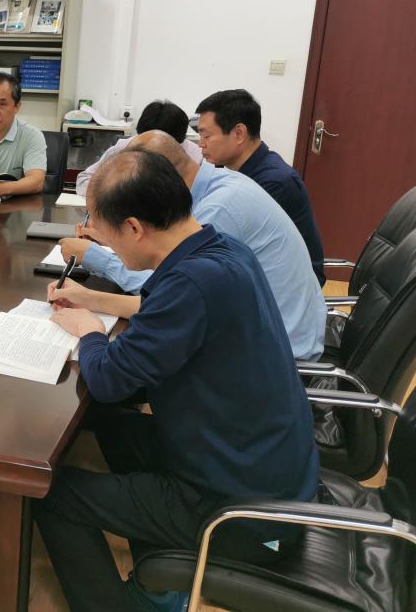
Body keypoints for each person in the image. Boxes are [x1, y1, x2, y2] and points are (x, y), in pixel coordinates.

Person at [37, 149, 318, 612]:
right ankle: (163, 585)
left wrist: (89, 331)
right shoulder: (220, 251)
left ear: (134, 228)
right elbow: (157, 324)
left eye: (107, 237)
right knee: (110, 424)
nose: (110, 250)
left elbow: (108, 379)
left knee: (50, 494)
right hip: (262, 465)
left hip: (242, 509)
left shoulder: (191, 284)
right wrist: (94, 304)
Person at [60, 130, 325, 360]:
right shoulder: (220, 185)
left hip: (278, 351)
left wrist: (97, 259)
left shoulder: (217, 211)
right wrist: (115, 238)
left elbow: (160, 292)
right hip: (265, 331)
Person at [195, 89, 326, 285]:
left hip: (291, 283)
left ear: (239, 134)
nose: (200, 144)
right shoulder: (241, 171)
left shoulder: (274, 182)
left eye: (206, 136)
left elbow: (225, 241)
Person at [74, 99, 203, 196]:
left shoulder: (199, 157)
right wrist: (117, 192)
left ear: (179, 141)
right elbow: (83, 180)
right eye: (148, 144)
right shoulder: (124, 147)